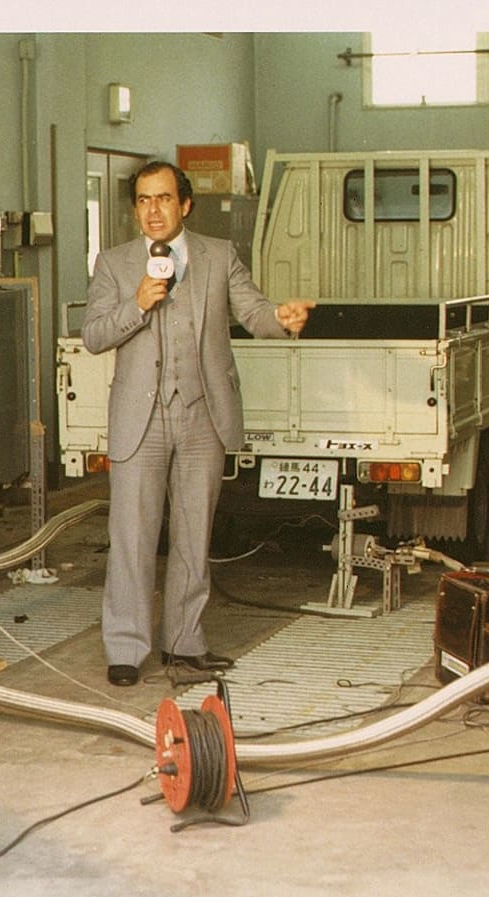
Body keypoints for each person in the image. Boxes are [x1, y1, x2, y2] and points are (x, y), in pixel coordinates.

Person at [82, 160, 314, 687]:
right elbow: (94, 334)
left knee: (193, 535)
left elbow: (252, 312)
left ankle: (185, 644)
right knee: (133, 537)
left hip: (202, 416)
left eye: (163, 199)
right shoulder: (115, 264)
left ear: (184, 205)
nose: (153, 210)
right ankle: (126, 648)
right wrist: (136, 305)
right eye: (143, 200)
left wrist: (280, 319)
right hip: (139, 419)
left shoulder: (218, 255)